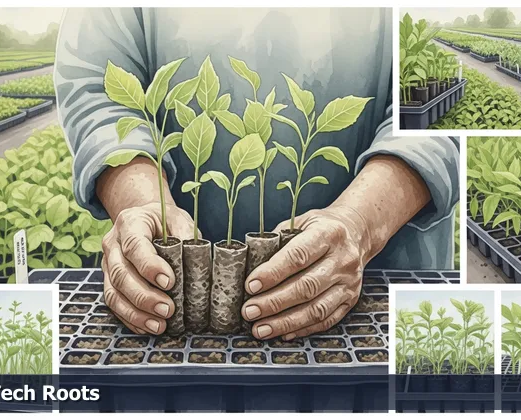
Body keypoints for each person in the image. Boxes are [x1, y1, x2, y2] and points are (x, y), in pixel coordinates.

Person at [54, 8, 459, 339]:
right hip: (179, 319)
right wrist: (143, 201)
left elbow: (435, 103)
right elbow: (98, 91)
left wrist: (360, 223)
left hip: (382, 287)